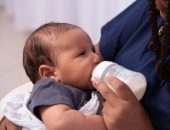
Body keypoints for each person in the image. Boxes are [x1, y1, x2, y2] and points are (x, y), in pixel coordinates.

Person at [0, 0, 169, 129]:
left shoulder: (81, 85)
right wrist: (105, 123)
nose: (96, 58)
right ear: (50, 75)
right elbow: (60, 123)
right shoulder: (50, 89)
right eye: (83, 54)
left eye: (91, 51)